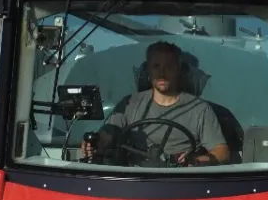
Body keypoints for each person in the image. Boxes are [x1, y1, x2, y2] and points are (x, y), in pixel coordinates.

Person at [81, 41, 231, 166]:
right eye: (156, 66)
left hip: (182, 181)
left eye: (169, 67)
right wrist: (95, 143)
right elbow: (108, 134)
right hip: (133, 181)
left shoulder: (200, 109)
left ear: (179, 70)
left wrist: (196, 160)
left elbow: (221, 151)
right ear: (148, 71)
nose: (162, 73)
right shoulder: (129, 104)